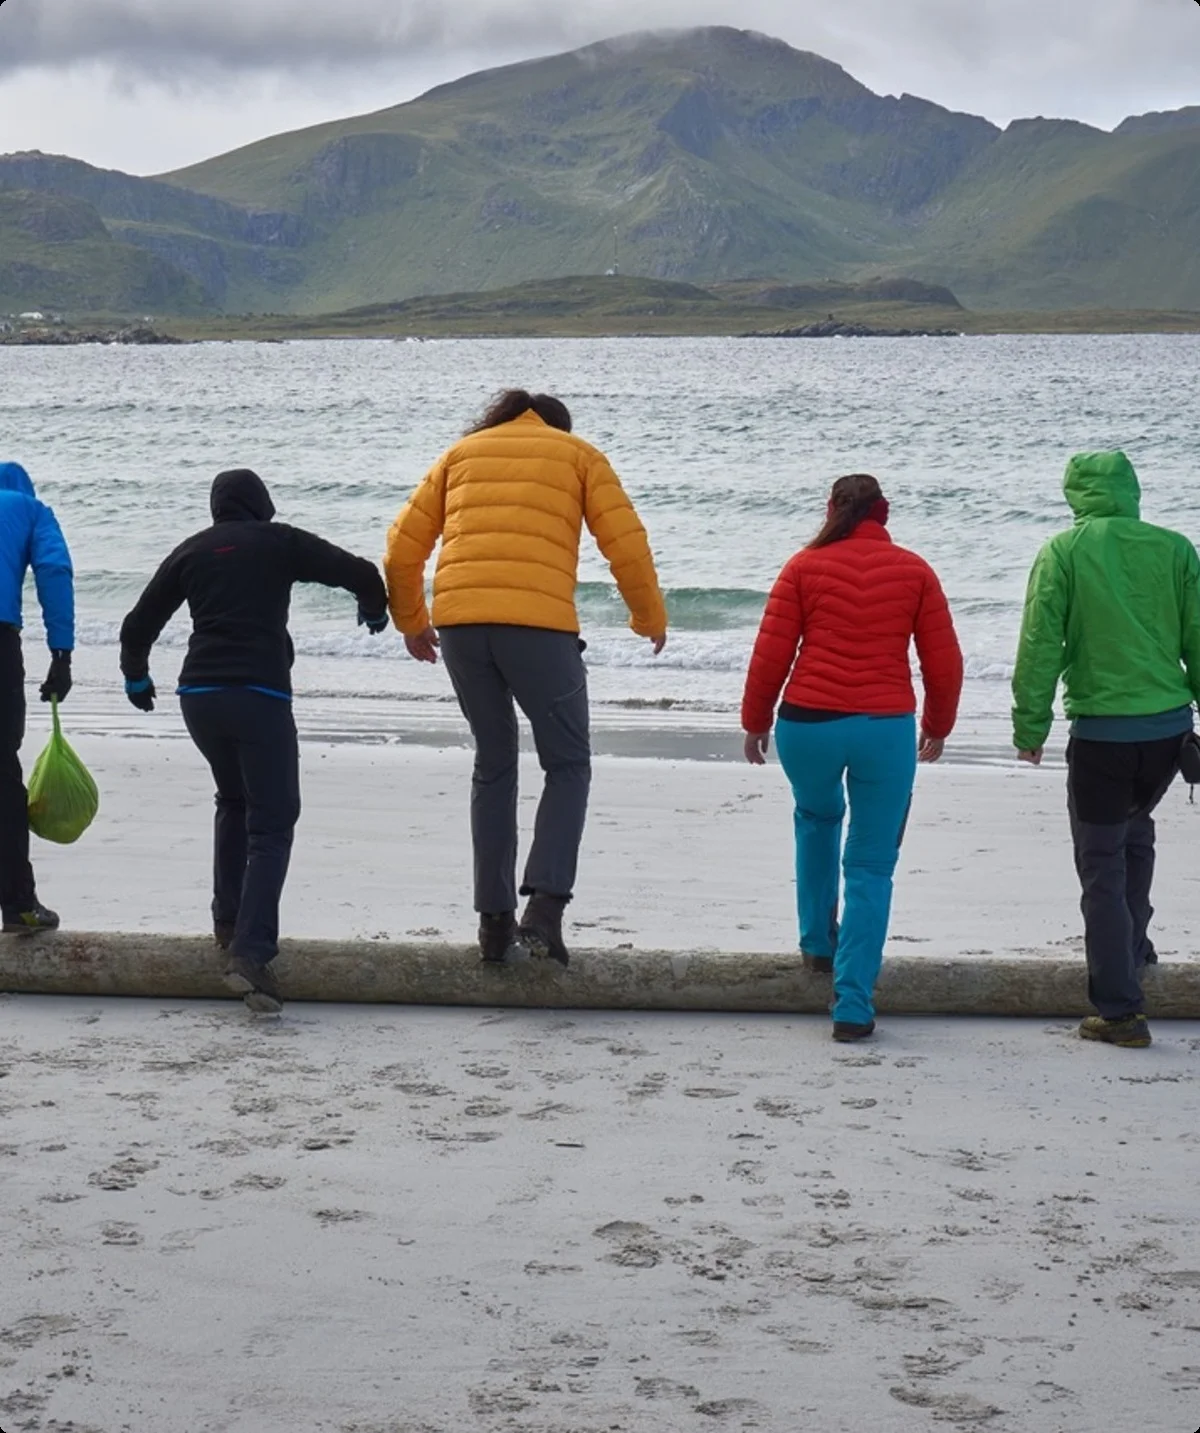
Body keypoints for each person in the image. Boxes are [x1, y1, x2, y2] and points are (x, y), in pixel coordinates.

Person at [385, 389, 667, 968]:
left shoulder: (460, 454)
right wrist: (648, 617)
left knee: (493, 762)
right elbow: (626, 545)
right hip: (539, 631)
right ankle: (544, 908)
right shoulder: (578, 455)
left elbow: (401, 548)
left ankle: (493, 924)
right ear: (556, 426)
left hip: (461, 626)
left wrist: (412, 621)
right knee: (567, 763)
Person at [119, 468, 389, 1013]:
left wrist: (136, 677)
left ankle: (227, 922)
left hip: (198, 696)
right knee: (273, 820)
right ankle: (251, 954)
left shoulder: (191, 551)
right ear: (261, 504)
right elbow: (360, 572)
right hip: (258, 695)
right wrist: (374, 609)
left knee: (234, 800)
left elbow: (137, 623)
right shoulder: (279, 541)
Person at [742, 473, 962, 1042]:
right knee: (870, 866)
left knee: (816, 820)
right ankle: (853, 1005)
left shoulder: (802, 566)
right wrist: (938, 726)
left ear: (832, 509)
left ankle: (817, 944)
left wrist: (755, 722)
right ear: (883, 515)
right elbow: (944, 664)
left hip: (807, 724)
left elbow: (771, 653)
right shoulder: (914, 570)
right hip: (883, 730)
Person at [1012, 451, 1200, 1050]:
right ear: (1132, 490)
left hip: (1102, 736)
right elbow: (1198, 637)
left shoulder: (1064, 552)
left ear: (1077, 494)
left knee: (1101, 863)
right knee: (1135, 833)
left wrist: (1030, 726)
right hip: (1168, 732)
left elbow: (1041, 643)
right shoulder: (1175, 549)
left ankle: (1119, 1012)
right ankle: (1135, 950)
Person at [0, 461, 75, 933]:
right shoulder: (31, 509)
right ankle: (18, 904)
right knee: (4, 774)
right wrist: (61, 654)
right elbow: (53, 572)